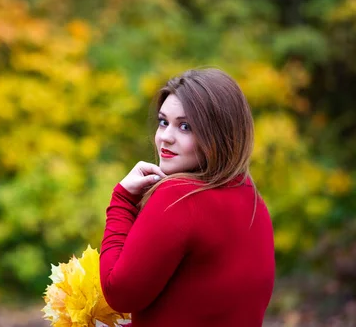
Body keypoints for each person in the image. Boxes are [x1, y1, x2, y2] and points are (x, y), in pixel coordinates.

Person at [100, 68, 275, 327]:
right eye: (163, 122)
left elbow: (119, 292)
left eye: (185, 126)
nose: (166, 138)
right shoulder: (252, 199)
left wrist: (122, 200)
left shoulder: (178, 197)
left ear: (219, 135)